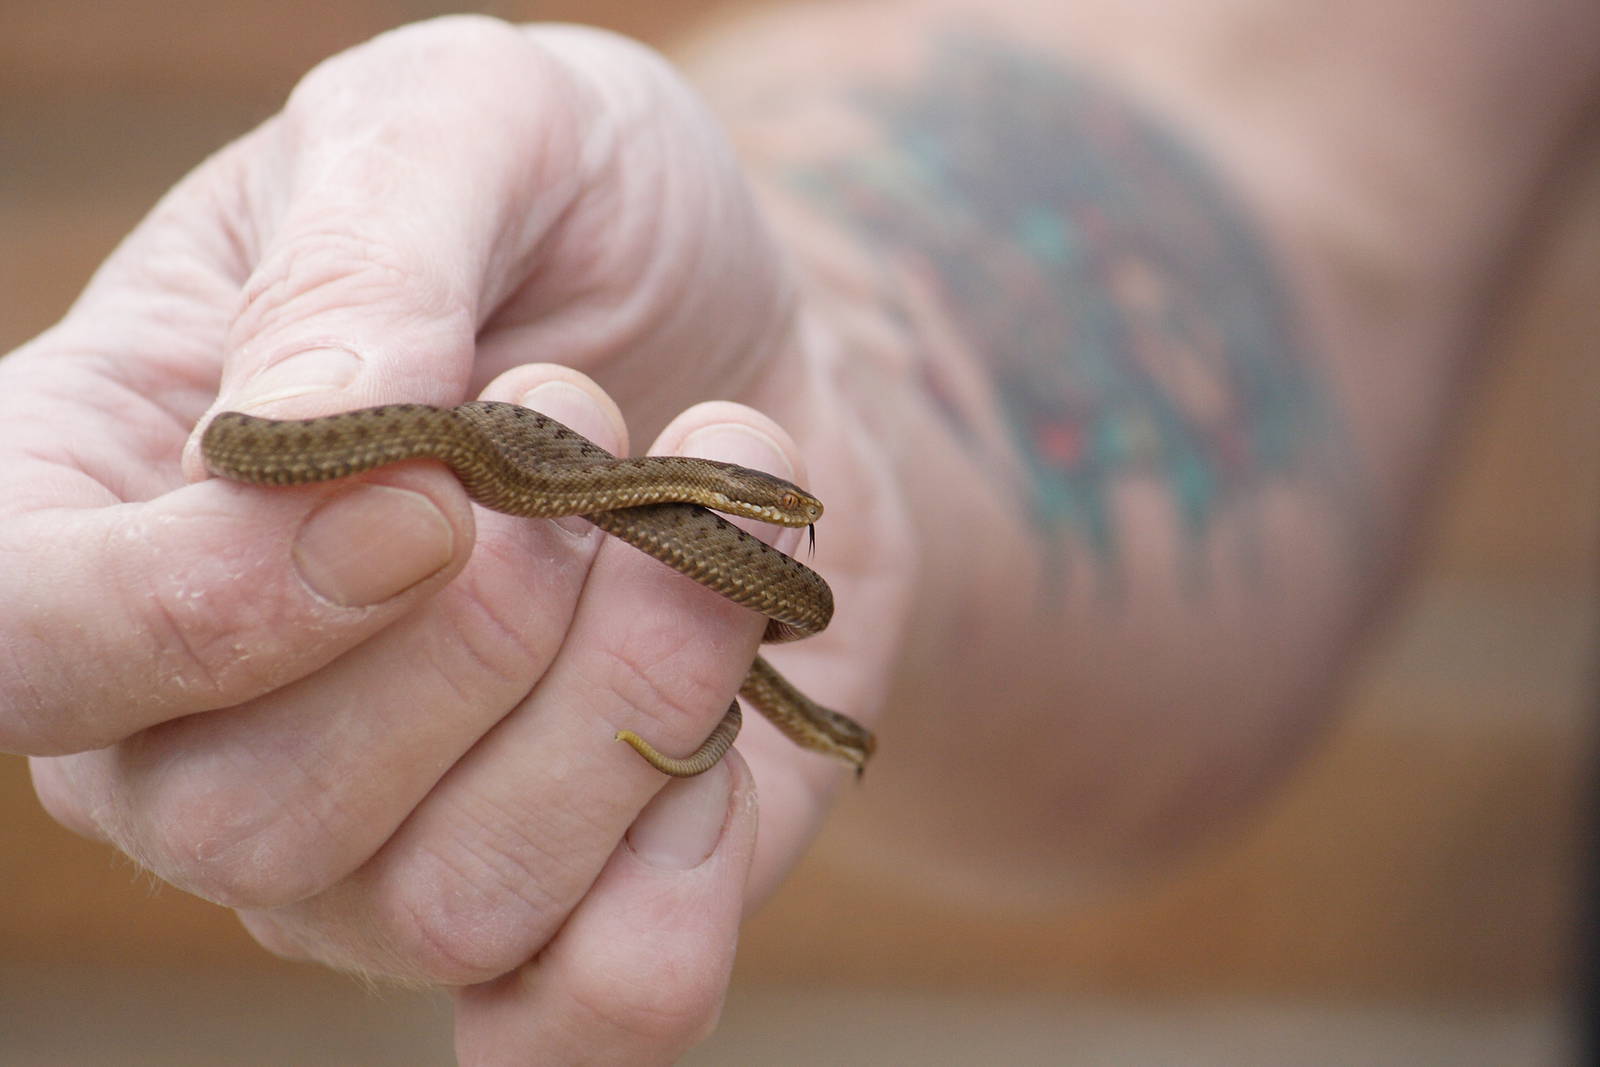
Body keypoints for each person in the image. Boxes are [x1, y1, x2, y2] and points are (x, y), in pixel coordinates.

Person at [2, 3, 1594, 1062]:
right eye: (769, 506)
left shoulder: (637, 513)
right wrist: (835, 363)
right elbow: (1305, 178)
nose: (781, 511)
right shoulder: (603, 471)